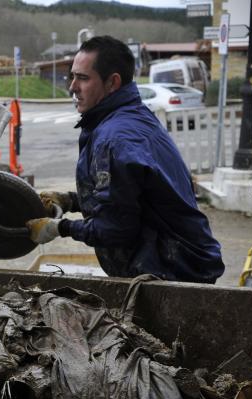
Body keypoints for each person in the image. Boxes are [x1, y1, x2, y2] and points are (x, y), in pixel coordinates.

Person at [26, 36, 224, 284]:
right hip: (175, 263)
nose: (72, 87)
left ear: (112, 83)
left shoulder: (116, 138)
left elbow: (115, 228)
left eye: (83, 78)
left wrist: (58, 228)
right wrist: (70, 200)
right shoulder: (128, 117)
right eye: (72, 76)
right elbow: (127, 199)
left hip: (173, 272)